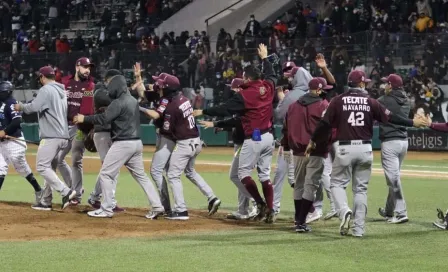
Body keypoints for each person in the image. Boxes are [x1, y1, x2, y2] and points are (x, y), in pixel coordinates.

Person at [305, 70, 428, 237]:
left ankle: (344, 211)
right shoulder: (371, 102)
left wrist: (313, 141)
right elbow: (392, 117)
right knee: (360, 190)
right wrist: (412, 122)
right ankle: (358, 229)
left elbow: (324, 124)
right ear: (361, 84)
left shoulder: (338, 100)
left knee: (336, 184)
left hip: (345, 148)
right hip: (365, 149)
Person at [194, 44, 278, 223]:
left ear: (247, 78)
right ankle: (270, 209)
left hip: (254, 138)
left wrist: (204, 112)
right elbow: (272, 75)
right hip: (269, 137)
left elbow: (225, 109)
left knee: (243, 175)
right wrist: (265, 58)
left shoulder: (245, 95)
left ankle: (260, 204)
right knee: (264, 176)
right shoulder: (268, 86)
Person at [73, 73, 164, 219]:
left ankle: (106, 208)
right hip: (137, 144)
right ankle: (157, 206)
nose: (109, 88)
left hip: (123, 143)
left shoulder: (118, 102)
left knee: (106, 174)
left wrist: (85, 118)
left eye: (111, 85)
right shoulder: (133, 100)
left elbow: (103, 118)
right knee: (141, 176)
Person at [140, 74, 222, 218]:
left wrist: (142, 110)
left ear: (168, 88)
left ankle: (181, 210)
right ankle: (212, 197)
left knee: (172, 175)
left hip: (185, 143)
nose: (159, 86)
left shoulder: (172, 107)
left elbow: (165, 130)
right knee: (190, 172)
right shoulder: (183, 98)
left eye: (162, 85)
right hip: (196, 140)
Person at [14, 66, 76, 210]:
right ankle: (46, 201)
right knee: (50, 168)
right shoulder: (61, 90)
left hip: (52, 135)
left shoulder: (46, 90)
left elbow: (34, 107)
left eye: (40, 78)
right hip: (63, 135)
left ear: (42, 77)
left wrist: (20, 106)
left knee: (42, 166)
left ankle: (66, 192)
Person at [199, 78, 257, 220]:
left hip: (246, 144)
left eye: (233, 88)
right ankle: (243, 210)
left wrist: (216, 123)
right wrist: (222, 126)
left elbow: (237, 121)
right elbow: (236, 123)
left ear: (238, 88)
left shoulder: (241, 102)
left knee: (235, 176)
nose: (231, 90)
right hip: (244, 142)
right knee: (241, 176)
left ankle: (257, 200)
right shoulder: (243, 101)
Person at [282, 77, 333, 232]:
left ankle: (298, 219)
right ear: (318, 90)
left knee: (299, 185)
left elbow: (286, 128)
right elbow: (328, 129)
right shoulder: (323, 105)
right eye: (324, 90)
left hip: (297, 151)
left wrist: (285, 146)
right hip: (315, 151)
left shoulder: (292, 106)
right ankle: (301, 223)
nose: (325, 92)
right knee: (310, 186)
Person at [59, 57, 96, 205]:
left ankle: (76, 195)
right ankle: (74, 189)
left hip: (79, 128)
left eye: (89, 68)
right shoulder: (64, 82)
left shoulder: (90, 86)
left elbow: (87, 108)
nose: (87, 70)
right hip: (62, 127)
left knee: (76, 160)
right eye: (85, 67)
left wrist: (84, 120)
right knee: (57, 159)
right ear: (77, 67)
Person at [86, 69, 125, 213]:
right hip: (102, 134)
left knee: (108, 169)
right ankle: (110, 202)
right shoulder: (100, 91)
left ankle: (95, 197)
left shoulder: (115, 93)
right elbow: (114, 101)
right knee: (111, 170)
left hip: (111, 134)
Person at [0, 81, 43, 203]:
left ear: (6, 92)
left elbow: (17, 121)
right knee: (0, 167)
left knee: (22, 169)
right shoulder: (1, 104)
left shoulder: (11, 103)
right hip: (2, 143)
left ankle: (39, 190)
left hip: (15, 142)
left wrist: (5, 132)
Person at [377, 74, 410, 224]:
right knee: (393, 178)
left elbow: (373, 108)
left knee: (393, 179)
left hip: (390, 142)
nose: (384, 87)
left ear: (391, 85)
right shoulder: (406, 99)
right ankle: (389, 211)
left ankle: (401, 212)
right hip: (403, 142)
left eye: (386, 84)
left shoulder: (384, 100)